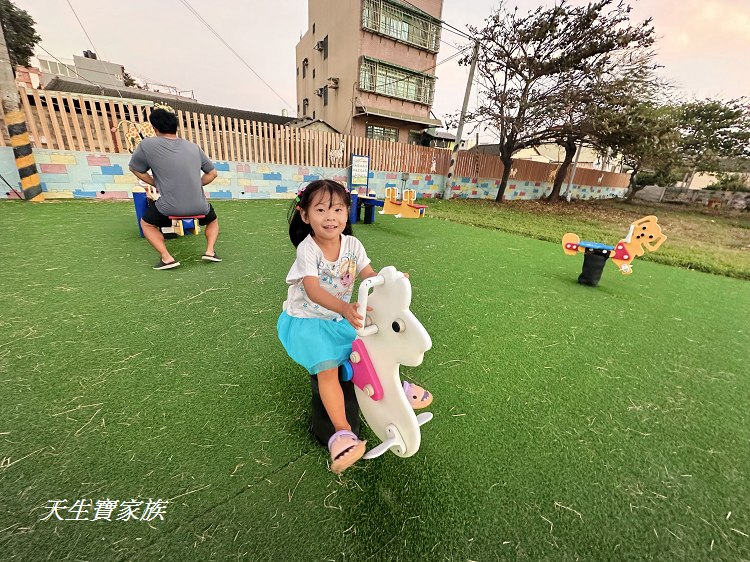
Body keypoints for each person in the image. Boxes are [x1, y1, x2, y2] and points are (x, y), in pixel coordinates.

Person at [277, 180, 432, 474]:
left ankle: (397, 389)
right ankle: (342, 434)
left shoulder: (353, 245)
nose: (330, 217)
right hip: (308, 322)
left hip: (338, 317)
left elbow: (369, 275)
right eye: (320, 210)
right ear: (305, 215)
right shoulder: (308, 250)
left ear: (347, 213)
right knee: (328, 369)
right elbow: (312, 290)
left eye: (337, 209)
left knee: (369, 347)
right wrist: (345, 308)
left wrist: (393, 281)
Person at [129, 108, 221, 270]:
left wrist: (155, 183)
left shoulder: (146, 145)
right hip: (199, 206)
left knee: (146, 224)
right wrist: (193, 184)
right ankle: (210, 251)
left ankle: (167, 258)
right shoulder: (193, 147)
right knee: (212, 220)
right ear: (175, 127)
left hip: (169, 208)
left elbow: (135, 169)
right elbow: (212, 174)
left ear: (155, 128)